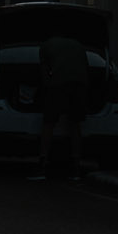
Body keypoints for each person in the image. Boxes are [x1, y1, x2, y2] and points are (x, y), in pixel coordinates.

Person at [35, 30, 89, 180]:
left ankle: (42, 164)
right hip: (80, 84)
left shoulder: (45, 46)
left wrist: (44, 93)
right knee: (75, 124)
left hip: (59, 84)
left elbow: (45, 75)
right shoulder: (77, 45)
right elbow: (86, 67)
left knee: (49, 123)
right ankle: (76, 167)